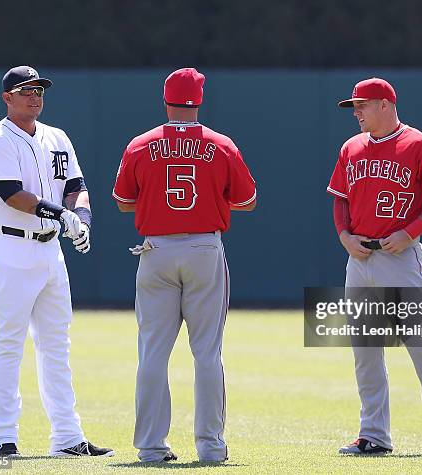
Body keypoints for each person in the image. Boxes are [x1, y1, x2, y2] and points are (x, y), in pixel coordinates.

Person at [113, 67, 256, 463]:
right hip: (203, 250)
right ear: (200, 102)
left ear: (165, 102)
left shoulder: (141, 145)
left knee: (153, 352)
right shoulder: (221, 144)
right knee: (207, 352)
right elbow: (247, 201)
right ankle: (210, 448)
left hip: (155, 250)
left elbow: (124, 201)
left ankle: (151, 447)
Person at [0, 65, 113, 458]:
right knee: (8, 342)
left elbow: (77, 187)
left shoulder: (57, 136)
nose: (34, 96)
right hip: (10, 247)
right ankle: (4, 438)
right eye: (25, 90)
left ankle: (68, 438)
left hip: (50, 250)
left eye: (39, 89)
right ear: (7, 97)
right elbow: (10, 194)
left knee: (57, 343)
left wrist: (81, 219)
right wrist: (59, 213)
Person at [327, 77, 422, 456]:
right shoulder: (351, 148)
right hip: (360, 258)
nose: (356, 112)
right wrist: (344, 236)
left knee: (421, 346)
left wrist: (412, 231)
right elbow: (340, 200)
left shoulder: (421, 145)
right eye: (354, 106)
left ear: (385, 104)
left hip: (401, 258)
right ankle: (373, 434)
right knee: (365, 351)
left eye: (362, 105)